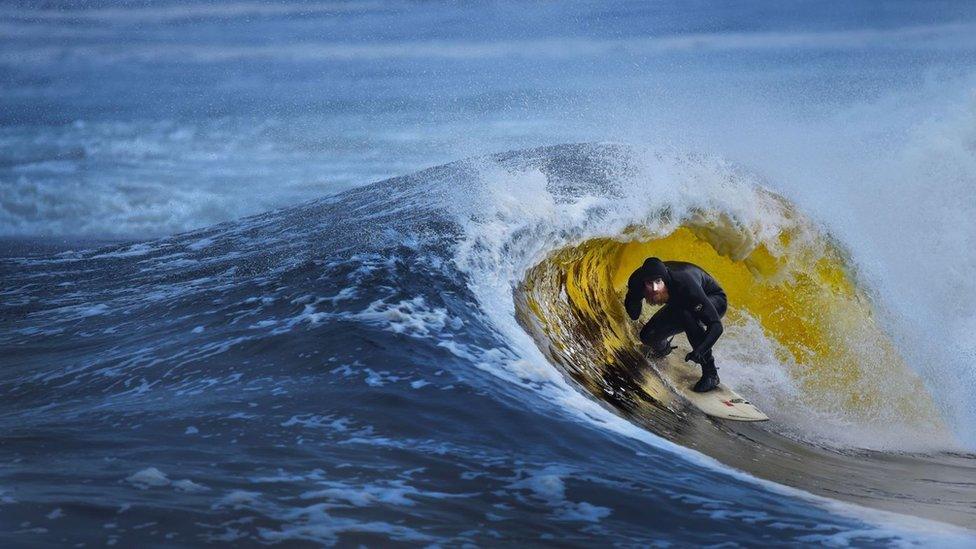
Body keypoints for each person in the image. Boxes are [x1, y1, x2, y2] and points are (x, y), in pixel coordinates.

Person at [623, 257, 727, 392]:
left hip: (713, 299)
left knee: (686, 315)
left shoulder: (684, 284)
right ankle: (663, 349)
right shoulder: (637, 281)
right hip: (680, 303)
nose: (654, 289)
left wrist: (700, 350)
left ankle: (711, 373)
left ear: (665, 280)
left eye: (658, 282)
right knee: (647, 336)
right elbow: (634, 312)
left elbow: (716, 326)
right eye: (650, 283)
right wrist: (634, 298)